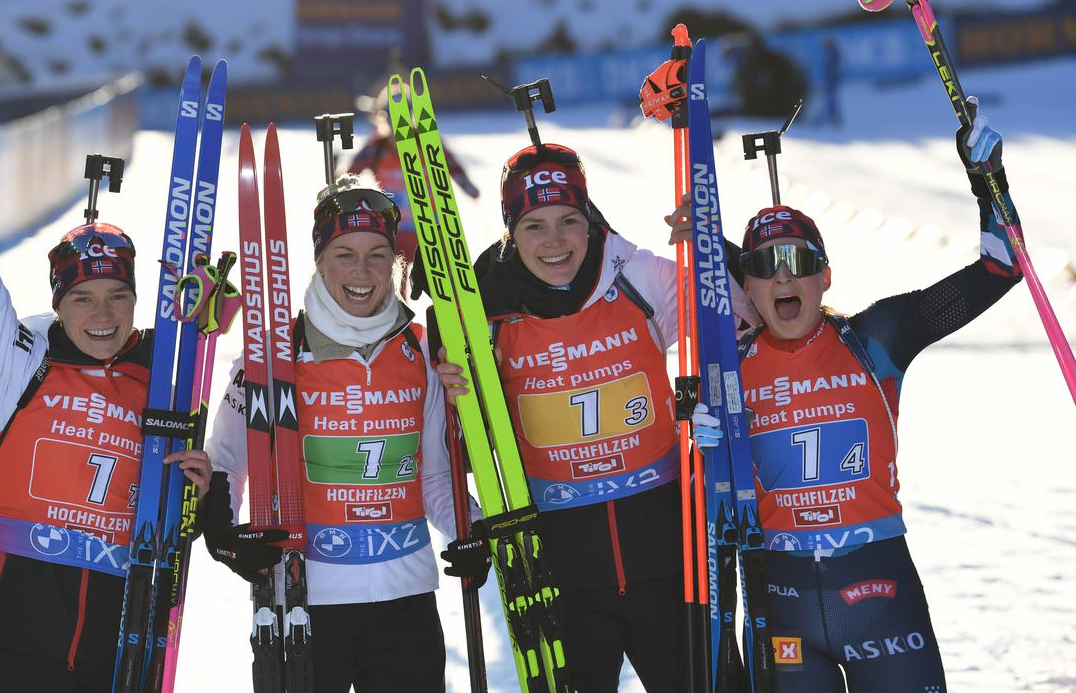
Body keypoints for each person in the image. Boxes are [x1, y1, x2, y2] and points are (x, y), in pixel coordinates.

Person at [691, 103, 1021, 692]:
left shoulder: (875, 339)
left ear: (826, 276)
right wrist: (690, 431)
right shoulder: (727, 370)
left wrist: (988, 182)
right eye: (766, 267)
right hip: (780, 598)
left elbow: (1001, 268)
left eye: (800, 262)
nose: (785, 277)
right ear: (748, 287)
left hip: (880, 590)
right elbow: (695, 495)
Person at [0, 57, 212, 691]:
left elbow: (184, 500)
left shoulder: (163, 378)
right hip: (7, 644)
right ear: (58, 301)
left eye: (117, 295)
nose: (101, 315)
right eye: (82, 298)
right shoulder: (17, 364)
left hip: (117, 644)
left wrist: (203, 489)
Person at [435, 141, 751, 692]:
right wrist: (450, 385)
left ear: (590, 219)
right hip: (561, 572)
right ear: (511, 229)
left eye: (568, 221)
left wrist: (713, 251)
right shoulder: (487, 308)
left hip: (669, 559)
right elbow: (452, 435)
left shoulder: (639, 276)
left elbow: (738, 324)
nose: (554, 241)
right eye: (534, 226)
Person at [204, 174, 461, 693]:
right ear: (319, 260)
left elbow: (434, 480)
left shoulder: (420, 352)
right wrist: (224, 536)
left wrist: (475, 533)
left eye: (377, 254)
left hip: (405, 601)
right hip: (302, 603)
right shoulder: (273, 355)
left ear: (397, 262)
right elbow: (226, 461)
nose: (361, 271)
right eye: (344, 254)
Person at [343, 85, 479, 261]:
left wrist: (467, 186)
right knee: (397, 285)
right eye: (391, 118)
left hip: (432, 230)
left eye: (403, 117)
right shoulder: (376, 148)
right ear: (382, 118)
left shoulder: (428, 142)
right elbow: (349, 177)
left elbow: (451, 166)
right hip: (395, 232)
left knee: (442, 285)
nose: (397, 125)